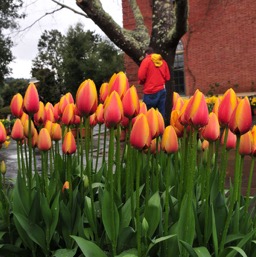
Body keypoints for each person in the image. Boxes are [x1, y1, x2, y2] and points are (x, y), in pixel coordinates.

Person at [138, 47, 170, 118]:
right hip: (162, 90)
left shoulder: (146, 61)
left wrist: (143, 82)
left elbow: (141, 76)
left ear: (146, 54)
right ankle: (161, 128)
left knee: (148, 116)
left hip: (150, 92)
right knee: (161, 115)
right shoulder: (163, 62)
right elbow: (167, 77)